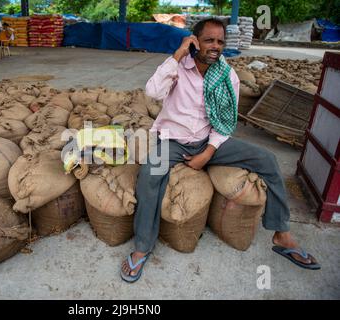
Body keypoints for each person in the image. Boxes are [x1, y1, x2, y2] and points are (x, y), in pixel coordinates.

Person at [120, 18, 320, 283]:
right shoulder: (179, 68)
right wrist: (178, 55)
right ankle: (143, 246)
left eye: (220, 41)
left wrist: (208, 153)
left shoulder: (228, 76)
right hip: (171, 140)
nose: (215, 46)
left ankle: (281, 234)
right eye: (209, 40)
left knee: (268, 160)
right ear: (194, 41)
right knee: (150, 176)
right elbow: (153, 91)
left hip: (208, 140)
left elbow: (226, 123)